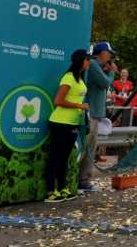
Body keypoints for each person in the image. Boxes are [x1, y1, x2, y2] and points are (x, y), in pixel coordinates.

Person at [45, 49, 91, 203]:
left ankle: (62, 188)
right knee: (54, 156)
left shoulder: (80, 78)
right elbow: (58, 101)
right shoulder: (69, 77)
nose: (89, 62)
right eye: (87, 59)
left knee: (64, 157)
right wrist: (80, 105)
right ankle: (50, 191)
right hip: (60, 122)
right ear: (81, 60)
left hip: (73, 122)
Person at [78, 41, 118, 192]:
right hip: (91, 114)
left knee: (90, 148)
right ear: (102, 53)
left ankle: (82, 179)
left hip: (95, 113)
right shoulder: (94, 65)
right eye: (109, 53)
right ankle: (83, 180)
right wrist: (111, 71)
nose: (110, 57)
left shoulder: (96, 66)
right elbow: (105, 83)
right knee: (88, 148)